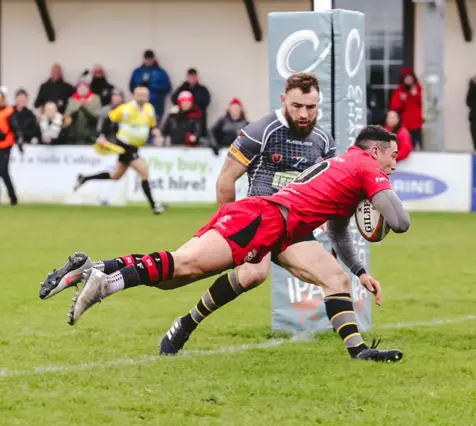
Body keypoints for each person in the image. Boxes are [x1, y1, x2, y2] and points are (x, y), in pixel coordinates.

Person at [40, 125, 410, 362]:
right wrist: (380, 196)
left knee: (334, 278)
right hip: (263, 219)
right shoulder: (364, 166)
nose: (394, 164)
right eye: (393, 156)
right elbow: (400, 222)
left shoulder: (348, 163)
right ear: (375, 151)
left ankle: (358, 351)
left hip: (275, 225)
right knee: (182, 267)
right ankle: (105, 283)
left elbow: (339, 231)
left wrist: (360, 271)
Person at [41, 71, 334, 328]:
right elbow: (225, 180)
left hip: (285, 227)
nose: (304, 113)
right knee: (180, 271)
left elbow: (326, 189)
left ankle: (98, 271)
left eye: (311, 107)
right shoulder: (262, 130)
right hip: (253, 224)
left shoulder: (323, 140)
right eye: (297, 106)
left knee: (190, 273)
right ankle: (105, 281)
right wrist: (234, 230)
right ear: (284, 100)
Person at [72, 85, 166, 214]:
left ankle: (84, 178)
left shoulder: (149, 109)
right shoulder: (125, 109)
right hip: (125, 145)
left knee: (115, 175)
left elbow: (152, 125)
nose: (143, 97)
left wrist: (156, 132)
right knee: (144, 172)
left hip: (135, 147)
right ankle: (154, 205)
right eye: (140, 95)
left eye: (145, 95)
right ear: (134, 95)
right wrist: (102, 136)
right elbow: (107, 119)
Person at [0, 86, 23, 205]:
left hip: (5, 146)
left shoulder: (9, 112)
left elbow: (15, 128)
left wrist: (19, 142)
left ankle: (13, 197)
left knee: (3, 171)